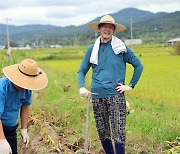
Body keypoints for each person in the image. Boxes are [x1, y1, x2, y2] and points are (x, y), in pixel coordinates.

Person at [77, 15, 143, 154]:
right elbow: (81, 70)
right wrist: (82, 86)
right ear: (99, 29)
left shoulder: (121, 48)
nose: (107, 29)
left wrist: (130, 86)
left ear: (113, 30)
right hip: (96, 96)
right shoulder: (92, 49)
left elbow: (139, 66)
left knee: (119, 132)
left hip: (115, 95)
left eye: (110, 27)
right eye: (104, 26)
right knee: (103, 131)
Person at [0, 58, 48, 154]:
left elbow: (25, 107)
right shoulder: (2, 88)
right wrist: (1, 140)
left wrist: (24, 128)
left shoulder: (27, 89)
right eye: (23, 83)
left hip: (11, 128)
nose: (25, 87)